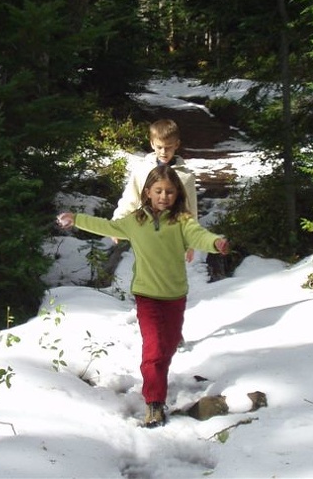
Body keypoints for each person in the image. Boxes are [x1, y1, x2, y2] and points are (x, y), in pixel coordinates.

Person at [57, 165, 229, 428]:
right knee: (154, 350)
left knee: (168, 346)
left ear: (177, 194)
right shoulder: (136, 221)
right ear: (147, 192)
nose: (164, 196)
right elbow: (108, 225)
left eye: (169, 192)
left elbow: (199, 235)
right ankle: (154, 403)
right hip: (147, 296)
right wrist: (77, 218)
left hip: (175, 295)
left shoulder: (182, 221)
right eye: (158, 191)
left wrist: (215, 242)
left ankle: (156, 381)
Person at [112, 119, 197, 262]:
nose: (163, 152)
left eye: (168, 147)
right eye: (159, 147)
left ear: (177, 144)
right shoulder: (141, 171)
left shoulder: (185, 177)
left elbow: (190, 209)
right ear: (152, 143)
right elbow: (130, 200)